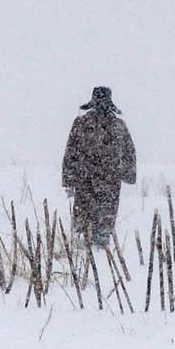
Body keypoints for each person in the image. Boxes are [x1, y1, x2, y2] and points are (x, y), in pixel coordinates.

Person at [60, 86, 138, 246]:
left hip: (90, 182)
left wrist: (69, 180)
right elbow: (130, 153)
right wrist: (127, 174)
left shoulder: (84, 123)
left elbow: (70, 152)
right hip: (101, 183)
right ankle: (94, 251)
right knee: (97, 226)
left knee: (90, 226)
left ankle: (93, 252)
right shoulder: (115, 125)